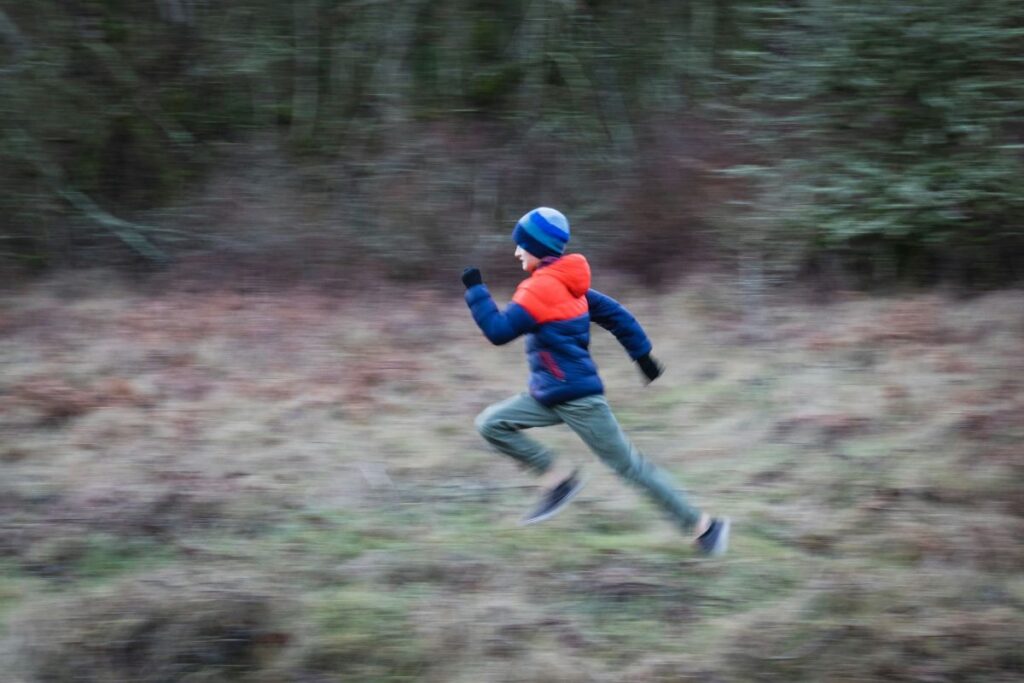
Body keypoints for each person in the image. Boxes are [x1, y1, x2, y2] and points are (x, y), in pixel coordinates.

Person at [462, 207, 729, 556]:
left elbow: (498, 331)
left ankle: (704, 527)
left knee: (630, 467)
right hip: (548, 394)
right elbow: (619, 317)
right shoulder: (568, 285)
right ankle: (558, 478)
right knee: (491, 423)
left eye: (521, 245)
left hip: (578, 399)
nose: (516, 252)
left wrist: (475, 290)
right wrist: (643, 357)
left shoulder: (542, 288)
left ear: (537, 248)